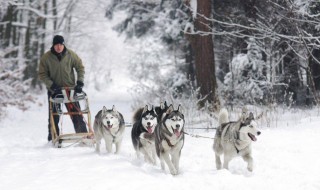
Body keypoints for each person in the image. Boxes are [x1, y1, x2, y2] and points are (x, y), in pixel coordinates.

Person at [38, 35, 88, 141]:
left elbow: (80, 67)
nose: (59, 47)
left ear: (63, 44)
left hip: (70, 90)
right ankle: (53, 138)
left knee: (76, 114)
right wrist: (52, 85)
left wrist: (79, 82)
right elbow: (42, 74)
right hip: (54, 91)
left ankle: (83, 136)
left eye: (61, 44)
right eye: (56, 45)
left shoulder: (71, 55)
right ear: (53, 45)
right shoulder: (46, 57)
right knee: (54, 115)